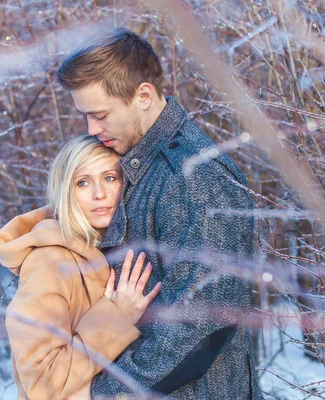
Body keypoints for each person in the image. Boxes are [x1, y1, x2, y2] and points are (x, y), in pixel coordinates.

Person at [57, 28, 263, 399]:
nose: (91, 129)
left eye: (100, 114)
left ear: (144, 96)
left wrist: (104, 393)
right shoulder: (135, 167)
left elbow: (201, 326)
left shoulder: (192, 177)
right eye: (85, 116)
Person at [0, 134, 161, 400]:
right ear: (65, 191)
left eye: (110, 177)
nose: (99, 194)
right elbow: (42, 381)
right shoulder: (49, 262)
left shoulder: (112, 247)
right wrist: (116, 318)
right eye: (82, 182)